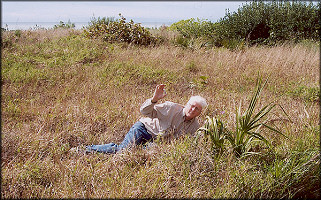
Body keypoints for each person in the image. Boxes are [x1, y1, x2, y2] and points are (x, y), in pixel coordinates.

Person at [85, 84, 207, 154]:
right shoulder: (171, 108)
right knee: (124, 151)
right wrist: (154, 100)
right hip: (143, 129)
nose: (193, 110)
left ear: (199, 113)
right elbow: (145, 111)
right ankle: (86, 150)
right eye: (192, 106)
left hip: (156, 142)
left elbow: (186, 145)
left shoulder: (195, 127)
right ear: (187, 104)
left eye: (197, 109)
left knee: (140, 154)